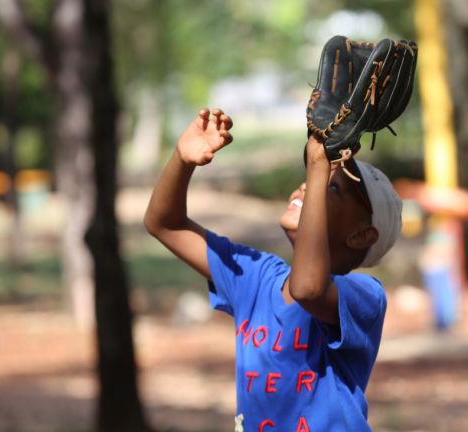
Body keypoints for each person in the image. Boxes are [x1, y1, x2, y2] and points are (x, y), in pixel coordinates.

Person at [144, 107, 402, 432]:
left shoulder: (365, 298)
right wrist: (182, 160)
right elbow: (164, 225)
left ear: (360, 235)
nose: (309, 184)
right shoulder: (257, 279)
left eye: (332, 187)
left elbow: (308, 289)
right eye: (309, 175)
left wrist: (320, 163)